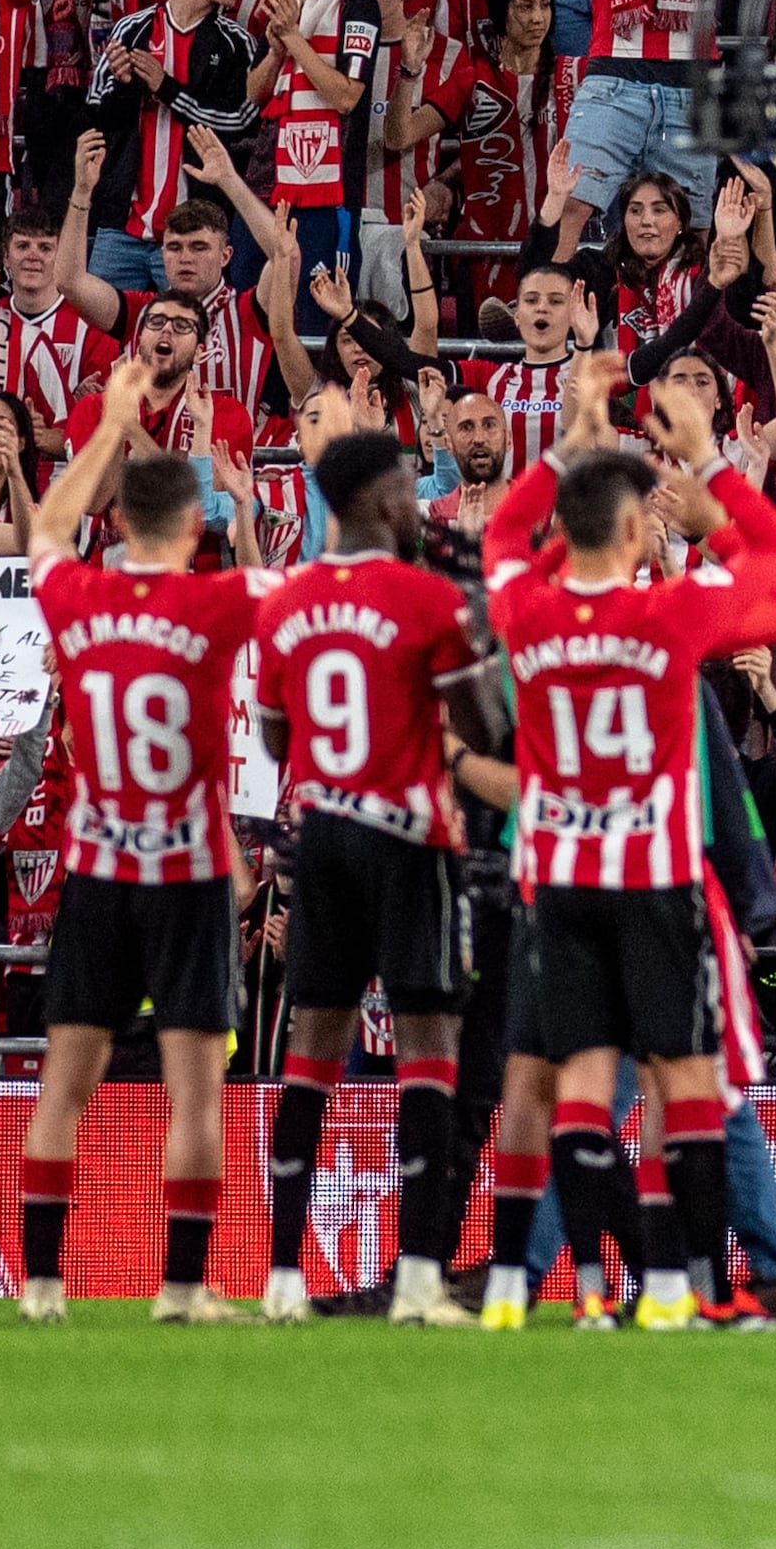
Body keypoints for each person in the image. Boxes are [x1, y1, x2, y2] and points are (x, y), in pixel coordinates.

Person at [469, 360, 776, 1332]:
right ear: (632, 530)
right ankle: (682, 1289)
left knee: (579, 1084)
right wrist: (707, 457)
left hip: (559, 883)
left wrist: (572, 442)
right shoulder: (666, 615)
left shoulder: (521, 611)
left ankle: (587, 1293)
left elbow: (500, 535)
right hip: (653, 881)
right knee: (685, 1082)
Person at [9, 402, 276, 1324]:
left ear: (116, 523)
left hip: (98, 869)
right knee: (194, 1098)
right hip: (191, 870)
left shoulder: (77, 600)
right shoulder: (213, 602)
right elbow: (282, 591)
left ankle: (42, 1285)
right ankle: (181, 1290)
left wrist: (112, 422)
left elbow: (45, 527)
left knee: (64, 1087)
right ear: (191, 526)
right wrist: (243, 518)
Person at [255, 411, 482, 1323]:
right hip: (409, 835)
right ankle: (422, 1277)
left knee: (312, 1051)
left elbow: (277, 735)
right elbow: (484, 727)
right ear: (372, 495)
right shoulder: (427, 600)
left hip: (322, 837)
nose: (415, 497)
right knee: (430, 1052)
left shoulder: (288, 600)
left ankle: (279, 1278)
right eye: (404, 483)